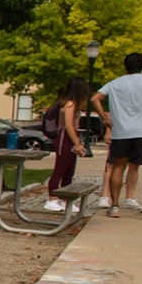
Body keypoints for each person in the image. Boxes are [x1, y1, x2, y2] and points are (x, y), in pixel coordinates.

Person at [94, 53, 142, 218]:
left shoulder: (115, 83)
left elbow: (95, 98)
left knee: (118, 168)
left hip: (122, 132)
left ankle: (114, 206)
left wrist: (106, 119)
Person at [42, 80, 90, 210]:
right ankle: (52, 198)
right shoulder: (69, 104)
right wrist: (76, 143)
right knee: (60, 169)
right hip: (64, 137)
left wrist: (78, 143)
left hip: (71, 138)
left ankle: (65, 199)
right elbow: (68, 125)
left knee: (69, 171)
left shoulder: (76, 106)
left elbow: (75, 126)